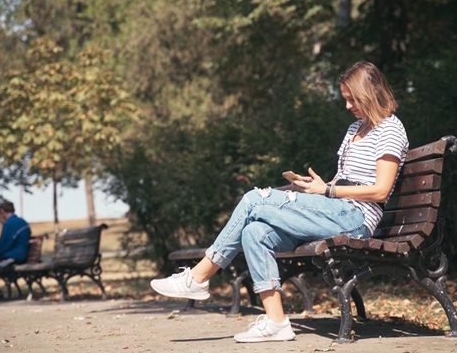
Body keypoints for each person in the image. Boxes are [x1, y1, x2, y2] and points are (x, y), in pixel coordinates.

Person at [150, 61, 409, 343]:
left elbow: (381, 191)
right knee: (255, 232)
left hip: (355, 219)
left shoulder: (390, 130)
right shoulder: (355, 130)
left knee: (253, 200)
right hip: (336, 209)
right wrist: (320, 187)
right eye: (345, 99)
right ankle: (277, 323)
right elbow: (344, 181)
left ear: (369, 93)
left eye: (352, 99)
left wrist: (329, 192)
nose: (347, 106)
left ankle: (199, 277)